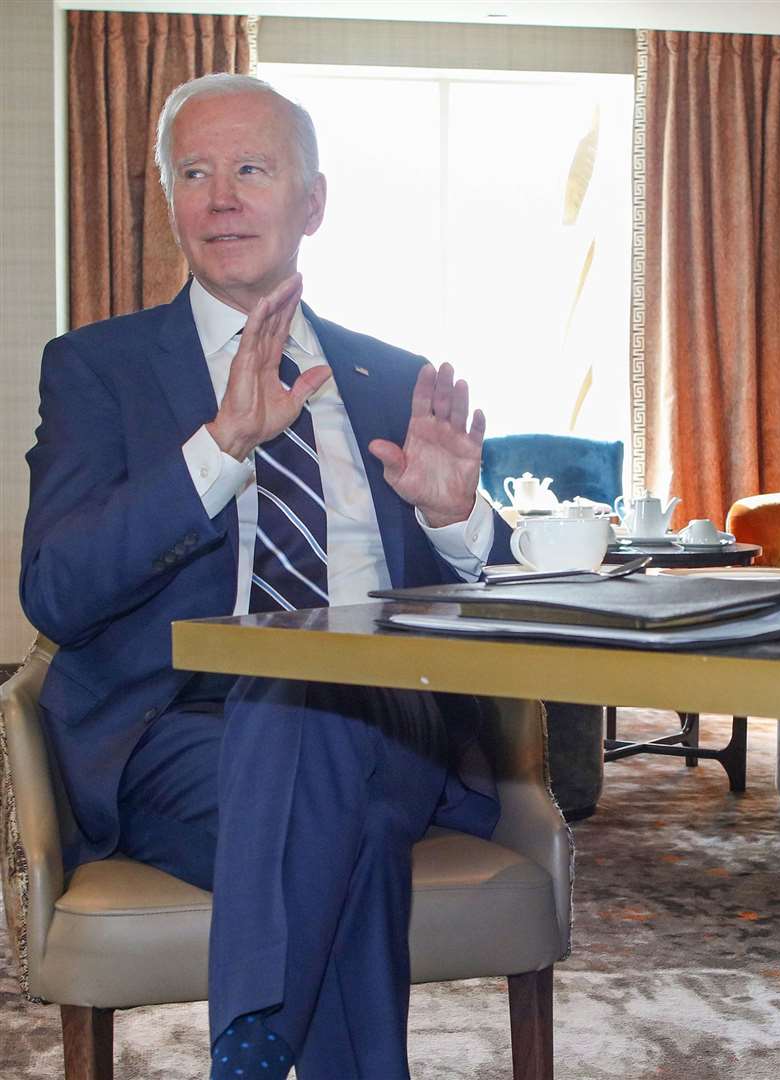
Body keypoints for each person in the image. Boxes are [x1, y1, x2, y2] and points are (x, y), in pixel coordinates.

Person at [20, 74, 513, 1079]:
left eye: (252, 168)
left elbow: (508, 601)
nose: (221, 198)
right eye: (194, 174)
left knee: (316, 700)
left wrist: (455, 517)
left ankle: (253, 1048)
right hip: (174, 742)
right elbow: (56, 593)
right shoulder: (97, 369)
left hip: (387, 724)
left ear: (313, 202)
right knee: (351, 828)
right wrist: (216, 452)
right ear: (170, 202)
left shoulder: (394, 377)